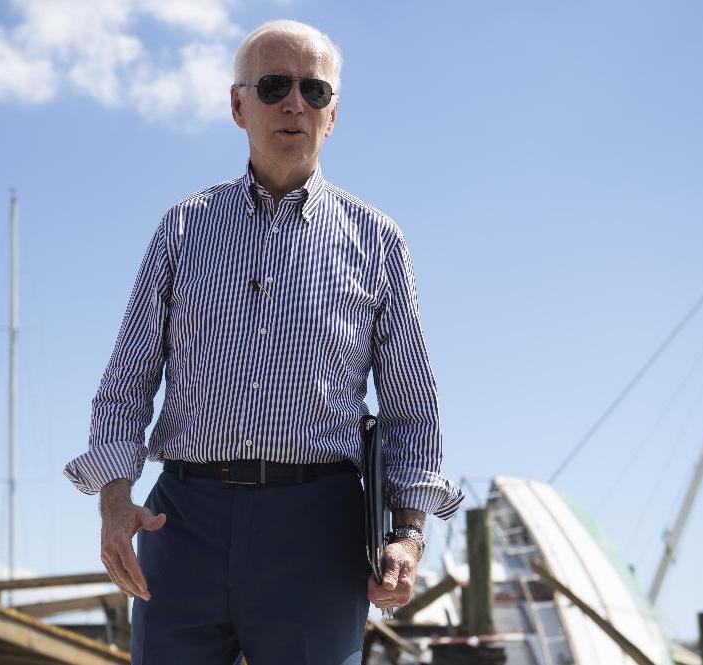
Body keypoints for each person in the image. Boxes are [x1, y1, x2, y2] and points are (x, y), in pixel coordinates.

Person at [62, 19, 463, 664]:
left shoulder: (380, 240)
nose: (295, 103)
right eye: (274, 84)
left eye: (316, 90)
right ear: (238, 104)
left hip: (319, 527)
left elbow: (411, 403)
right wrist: (114, 501)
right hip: (183, 521)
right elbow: (129, 375)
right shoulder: (182, 226)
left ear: (333, 115)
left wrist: (407, 536)